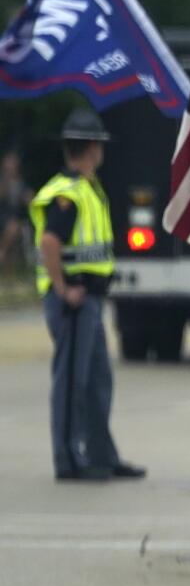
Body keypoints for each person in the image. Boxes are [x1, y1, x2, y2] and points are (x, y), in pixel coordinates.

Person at [30, 109, 143, 482]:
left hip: (89, 301)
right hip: (74, 303)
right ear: (93, 147)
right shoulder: (68, 196)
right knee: (72, 383)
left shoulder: (85, 189)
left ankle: (100, 455)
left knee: (96, 382)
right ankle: (69, 459)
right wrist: (63, 288)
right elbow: (49, 242)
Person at [0, 148, 33, 274]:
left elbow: (29, 199)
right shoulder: (3, 181)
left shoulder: (21, 183)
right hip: (2, 216)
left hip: (16, 219)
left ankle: (2, 252)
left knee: (14, 226)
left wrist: (29, 198)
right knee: (11, 225)